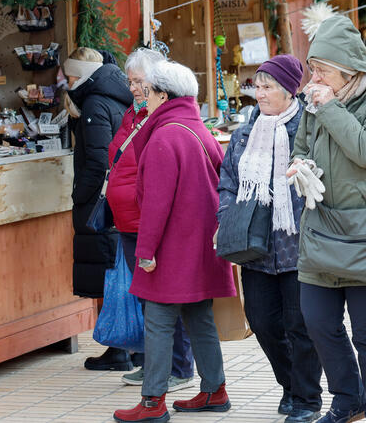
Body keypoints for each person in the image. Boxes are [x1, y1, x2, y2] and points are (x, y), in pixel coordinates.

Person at [289, 15, 366, 423]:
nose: (315, 76)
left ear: (346, 66)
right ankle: (348, 398)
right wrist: (299, 168)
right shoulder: (315, 97)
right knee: (318, 322)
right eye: (313, 68)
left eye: (322, 68)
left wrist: (328, 107)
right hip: (322, 227)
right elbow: (301, 145)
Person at [113, 60, 236, 423]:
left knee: (158, 320)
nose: (141, 96)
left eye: (146, 90)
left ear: (163, 95)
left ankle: (152, 402)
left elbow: (156, 203)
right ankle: (214, 390)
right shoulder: (198, 129)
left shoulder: (165, 136)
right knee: (199, 317)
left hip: (172, 248)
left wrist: (146, 251)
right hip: (202, 246)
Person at [217, 55, 323, 423]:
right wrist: (226, 216)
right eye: (256, 86)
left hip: (299, 244)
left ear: (288, 89)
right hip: (256, 244)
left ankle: (307, 398)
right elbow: (228, 181)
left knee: (301, 325)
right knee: (261, 320)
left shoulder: (308, 129)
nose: (258, 93)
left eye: (267, 86)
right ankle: (290, 385)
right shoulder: (246, 133)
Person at [106, 48, 195, 391]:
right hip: (128, 221)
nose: (134, 88)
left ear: (159, 82)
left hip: (149, 222)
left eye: (139, 81)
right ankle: (154, 363)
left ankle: (179, 368)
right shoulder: (133, 113)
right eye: (130, 82)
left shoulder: (160, 116)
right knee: (146, 299)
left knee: (167, 300)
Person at [63, 47, 133, 370]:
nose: (67, 81)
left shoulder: (93, 102)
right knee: (120, 272)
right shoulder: (117, 93)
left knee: (107, 274)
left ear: (81, 74)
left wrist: (80, 196)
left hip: (100, 203)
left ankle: (118, 348)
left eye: (70, 75)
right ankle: (132, 347)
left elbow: (98, 161)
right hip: (121, 198)